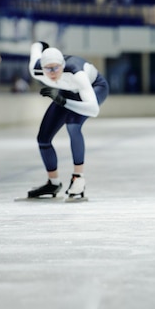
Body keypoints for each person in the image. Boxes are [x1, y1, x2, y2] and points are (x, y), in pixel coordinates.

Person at [26, 41, 109, 199]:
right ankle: (53, 183)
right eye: (48, 69)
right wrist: (40, 44)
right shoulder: (35, 70)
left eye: (56, 68)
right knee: (43, 139)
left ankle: (78, 179)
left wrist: (63, 101)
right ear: (41, 68)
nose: (52, 73)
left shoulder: (77, 73)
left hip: (94, 87)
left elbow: (93, 109)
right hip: (66, 91)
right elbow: (35, 49)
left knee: (73, 125)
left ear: (63, 65)